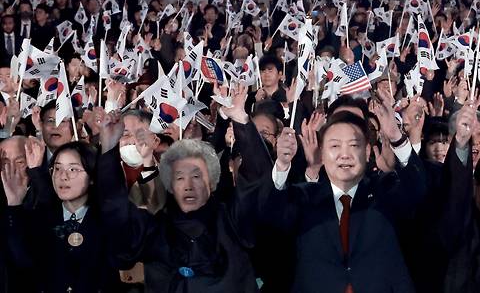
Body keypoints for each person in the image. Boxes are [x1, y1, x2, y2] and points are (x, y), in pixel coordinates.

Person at [259, 89, 425, 292]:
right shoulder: (303, 196)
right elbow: (270, 217)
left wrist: (397, 138)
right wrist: (283, 165)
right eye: (335, 146)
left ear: (367, 151)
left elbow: (418, 190)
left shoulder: (385, 189)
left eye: (354, 145)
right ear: (322, 152)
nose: (344, 155)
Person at [96, 107, 263, 292]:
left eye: (197, 176)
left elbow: (256, 180)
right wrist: (109, 149)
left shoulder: (232, 220)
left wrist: (242, 121)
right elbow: (117, 215)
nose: (188, 186)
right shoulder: (155, 226)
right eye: (179, 177)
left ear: (212, 181)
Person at [2, 141, 122, 292]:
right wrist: (14, 203)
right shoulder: (41, 217)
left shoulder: (108, 218)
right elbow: (23, 260)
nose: (63, 176)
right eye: (57, 168)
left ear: (92, 176)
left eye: (73, 169)